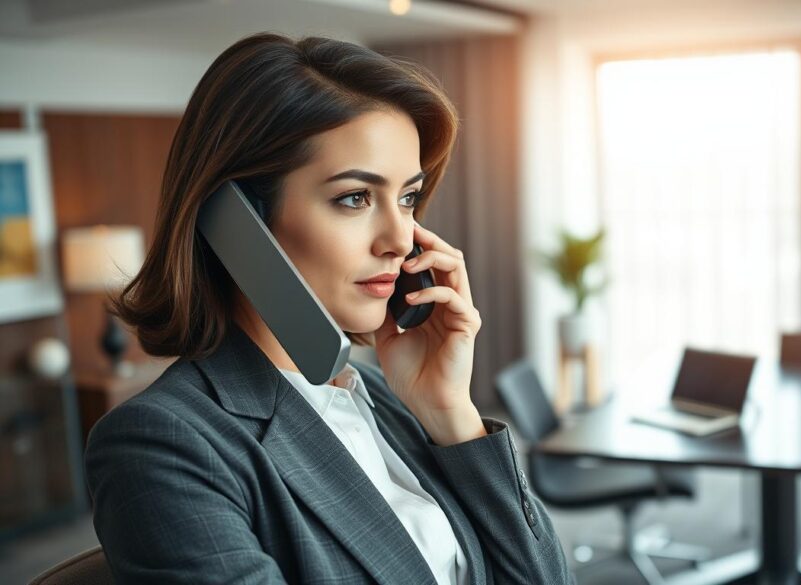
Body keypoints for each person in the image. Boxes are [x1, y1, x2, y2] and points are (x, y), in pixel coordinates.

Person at [85, 32, 573, 585]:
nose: (401, 238)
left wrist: (449, 413)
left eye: (407, 197)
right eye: (355, 198)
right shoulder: (163, 444)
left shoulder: (390, 403)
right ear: (234, 220)